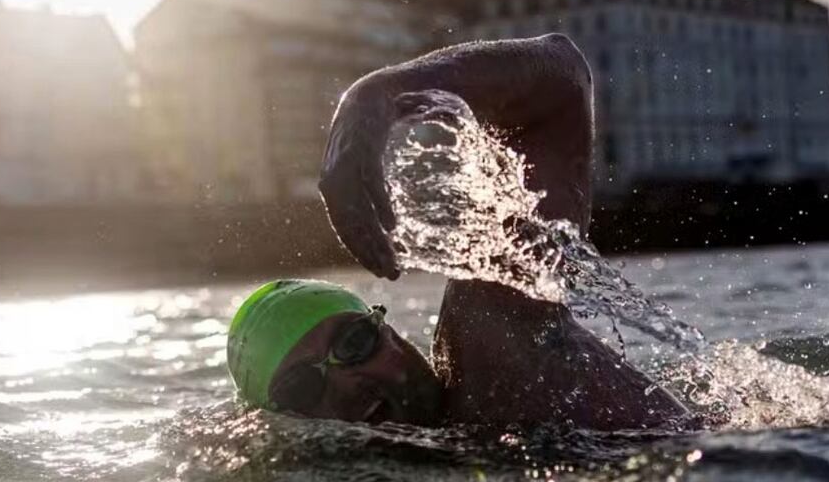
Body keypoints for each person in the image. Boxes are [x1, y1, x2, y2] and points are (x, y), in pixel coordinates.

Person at [227, 34, 690, 430]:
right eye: (302, 388)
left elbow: (560, 82)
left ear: (389, 331)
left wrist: (377, 95)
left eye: (355, 343)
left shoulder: (490, 332)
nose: (348, 382)